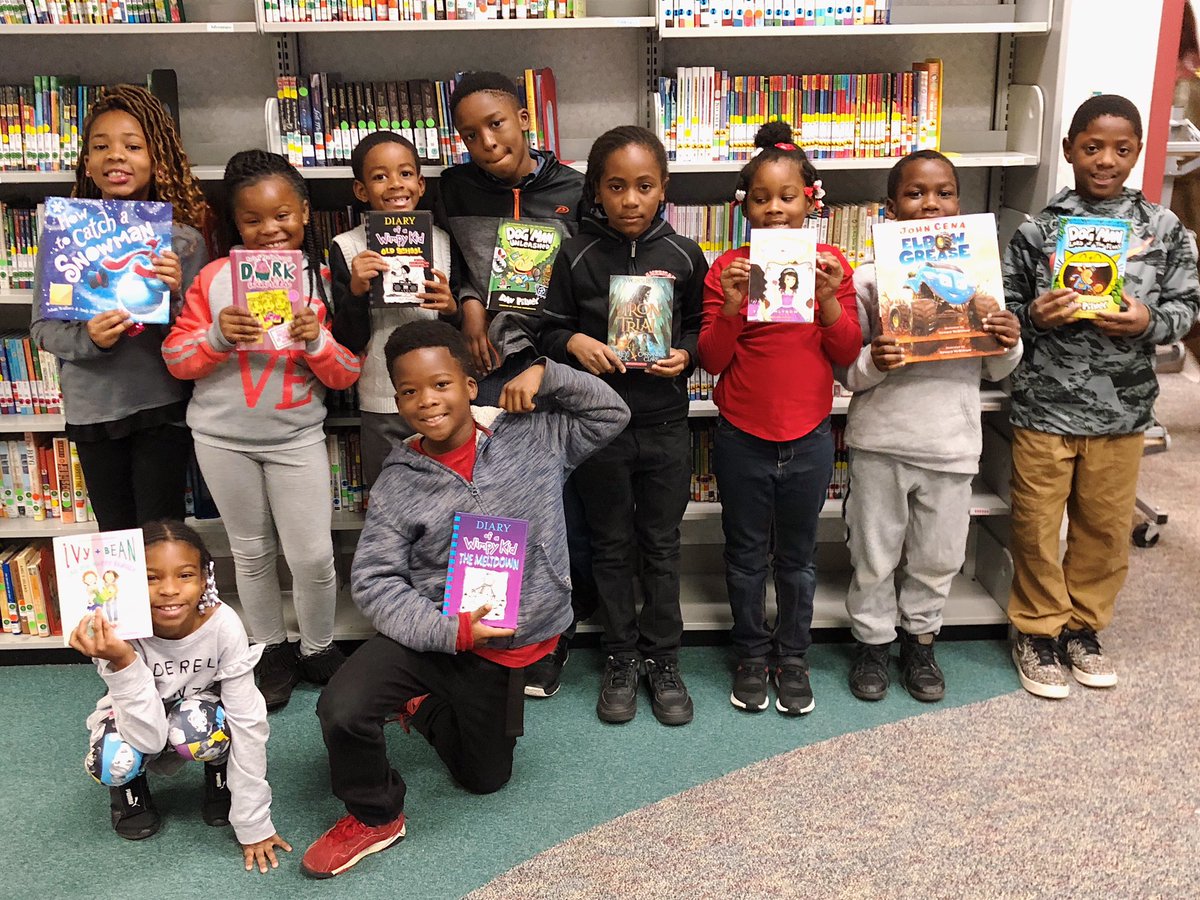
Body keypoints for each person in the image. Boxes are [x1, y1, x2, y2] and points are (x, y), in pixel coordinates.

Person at [300, 320, 628, 879]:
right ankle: (375, 816)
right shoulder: (399, 480)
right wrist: (446, 630)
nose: (426, 401)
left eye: (440, 384)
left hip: (506, 642)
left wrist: (547, 374)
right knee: (342, 708)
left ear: (471, 386)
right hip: (434, 633)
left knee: (484, 779)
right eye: (409, 391)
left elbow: (611, 412)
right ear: (397, 400)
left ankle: (422, 707)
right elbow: (375, 579)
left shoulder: (535, 435)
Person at [1003, 95, 1200, 698]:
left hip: (1122, 410)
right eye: (1092, 147)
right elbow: (1003, 312)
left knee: (1105, 527)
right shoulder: (1038, 230)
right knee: (1036, 525)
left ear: (1138, 153)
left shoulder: (1163, 229)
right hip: (1045, 406)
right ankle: (1037, 629)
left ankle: (1083, 628)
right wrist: (1034, 316)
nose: (1105, 160)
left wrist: (1148, 321)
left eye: (1121, 149)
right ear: (1069, 150)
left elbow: (1188, 307)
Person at [162, 150, 361, 710]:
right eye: (252, 220)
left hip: (297, 436)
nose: (269, 229)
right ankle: (270, 647)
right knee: (249, 553)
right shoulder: (212, 279)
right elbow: (177, 359)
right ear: (235, 223)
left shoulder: (323, 282)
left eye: (282, 216)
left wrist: (316, 341)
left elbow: (347, 371)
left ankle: (317, 647)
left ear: (305, 212)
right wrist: (217, 337)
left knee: (313, 556)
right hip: (222, 438)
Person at [836, 150, 1023, 703]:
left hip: (951, 444)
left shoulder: (980, 276)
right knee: (873, 554)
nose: (930, 204)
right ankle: (872, 642)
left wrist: (1009, 340)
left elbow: (997, 368)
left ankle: (920, 641)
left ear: (958, 205)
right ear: (891, 209)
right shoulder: (869, 279)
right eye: (915, 194)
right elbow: (848, 373)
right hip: (880, 442)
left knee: (938, 557)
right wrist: (875, 360)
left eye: (943, 193)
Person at [539, 125, 706, 726]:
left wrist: (687, 355)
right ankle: (620, 656)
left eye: (643, 186)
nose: (630, 200)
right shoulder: (574, 253)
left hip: (664, 424)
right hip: (598, 429)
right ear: (596, 191)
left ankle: (664, 659)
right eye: (616, 187)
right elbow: (547, 329)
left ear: (663, 188)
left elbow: (699, 326)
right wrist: (573, 342)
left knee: (661, 544)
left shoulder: (685, 254)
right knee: (609, 544)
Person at [439, 71, 595, 697]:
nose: (486, 142)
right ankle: (497, 631)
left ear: (525, 118)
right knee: (490, 509)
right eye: (469, 134)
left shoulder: (574, 190)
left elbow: (590, 275)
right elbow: (450, 262)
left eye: (497, 124)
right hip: (483, 366)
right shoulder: (454, 188)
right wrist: (470, 306)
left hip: (551, 364)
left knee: (558, 508)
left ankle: (556, 632)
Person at [697, 121, 861, 716]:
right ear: (744, 207)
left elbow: (847, 352)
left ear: (810, 202)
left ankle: (792, 657)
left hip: (810, 436)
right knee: (744, 556)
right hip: (742, 437)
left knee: (797, 559)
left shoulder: (831, 263)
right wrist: (732, 306)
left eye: (787, 197)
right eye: (761, 199)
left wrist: (829, 300)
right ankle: (749, 653)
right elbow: (712, 360)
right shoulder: (727, 267)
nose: (774, 209)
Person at [31, 84, 209, 531]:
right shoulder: (63, 237)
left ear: (156, 158)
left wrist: (174, 297)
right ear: (87, 162)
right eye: (101, 146)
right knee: (115, 539)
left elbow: (197, 340)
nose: (116, 156)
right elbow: (42, 329)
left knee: (163, 537)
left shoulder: (183, 241)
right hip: (93, 410)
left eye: (132, 146)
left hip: (162, 406)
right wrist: (89, 339)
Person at [69, 520, 290, 873]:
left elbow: (248, 722)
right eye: (151, 578)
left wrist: (254, 822)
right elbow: (148, 739)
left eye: (185, 575)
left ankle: (219, 776)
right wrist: (123, 661)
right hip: (139, 720)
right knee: (111, 760)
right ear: (127, 583)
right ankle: (131, 788)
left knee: (204, 726)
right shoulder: (114, 633)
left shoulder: (224, 624)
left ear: (205, 579)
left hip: (197, 715)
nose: (169, 590)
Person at [329, 131, 457, 488]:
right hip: (382, 397)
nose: (395, 184)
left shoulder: (442, 242)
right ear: (361, 190)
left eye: (405, 173)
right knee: (388, 494)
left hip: (440, 397)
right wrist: (357, 292)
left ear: (420, 184)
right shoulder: (347, 247)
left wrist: (450, 308)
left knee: (447, 490)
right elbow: (346, 340)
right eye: (379, 176)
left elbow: (459, 327)